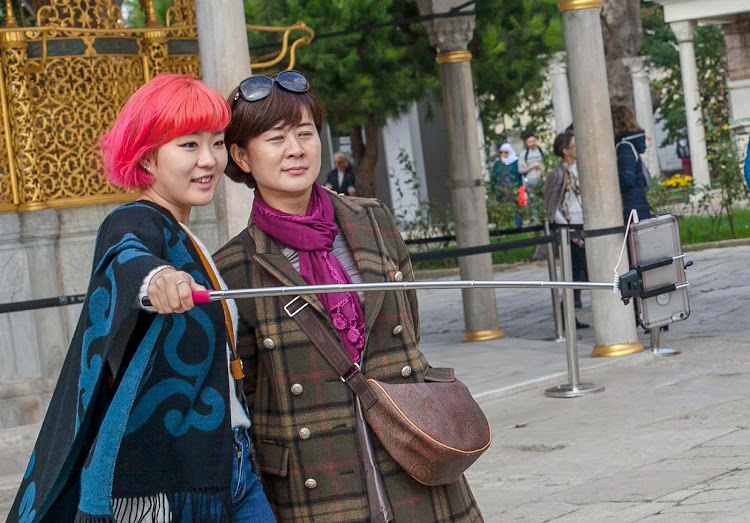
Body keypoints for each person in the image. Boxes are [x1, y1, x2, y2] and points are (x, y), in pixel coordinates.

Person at [214, 70, 483, 522]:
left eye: (305, 133)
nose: (296, 149)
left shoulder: (373, 221)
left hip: (409, 445)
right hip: (315, 470)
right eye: (275, 138)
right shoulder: (234, 267)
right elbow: (250, 388)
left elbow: (406, 325)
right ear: (241, 155)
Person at [8, 74, 275, 522]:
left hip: (230, 462)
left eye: (215, 142)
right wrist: (157, 279)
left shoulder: (187, 234)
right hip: (166, 484)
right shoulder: (134, 219)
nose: (208, 160)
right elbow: (127, 253)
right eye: (188, 145)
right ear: (148, 157)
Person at [544, 131, 589, 324]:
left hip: (586, 224)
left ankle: (571, 310)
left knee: (584, 270)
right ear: (565, 151)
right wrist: (567, 228)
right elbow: (551, 207)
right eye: (574, 146)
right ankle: (567, 314)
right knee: (575, 272)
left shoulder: (583, 169)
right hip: (569, 227)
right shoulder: (557, 174)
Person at [612, 104, 652, 224]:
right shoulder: (629, 144)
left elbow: (627, 178)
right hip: (637, 203)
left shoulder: (624, 146)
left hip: (631, 206)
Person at [490, 142, 523, 228]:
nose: (503, 154)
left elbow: (520, 175)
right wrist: (492, 191)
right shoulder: (498, 163)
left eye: (506, 152)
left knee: (515, 210)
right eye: (501, 152)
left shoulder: (516, 162)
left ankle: (517, 228)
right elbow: (493, 177)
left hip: (514, 191)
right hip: (501, 192)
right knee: (503, 210)